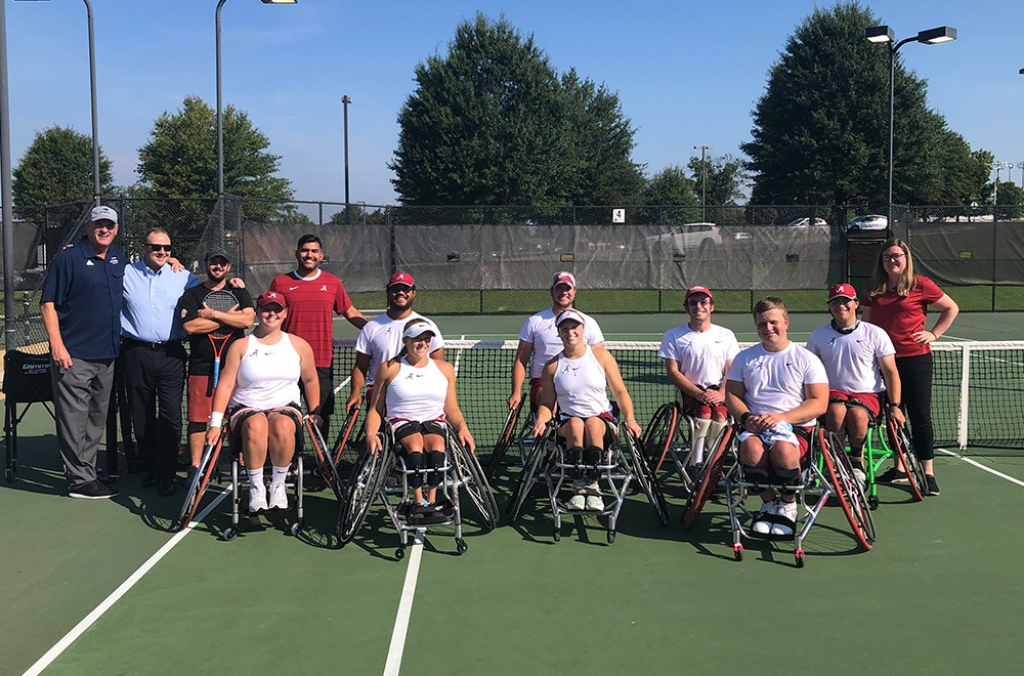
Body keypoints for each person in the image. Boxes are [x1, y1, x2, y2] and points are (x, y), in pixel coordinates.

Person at [205, 291, 320, 514]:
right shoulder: (240, 346)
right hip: (246, 408)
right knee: (257, 424)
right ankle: (257, 487)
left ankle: (278, 485)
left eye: (277, 309)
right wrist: (216, 423)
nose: (271, 314)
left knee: (283, 425)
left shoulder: (299, 345)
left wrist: (315, 412)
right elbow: (226, 385)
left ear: (285, 313)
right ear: (257, 312)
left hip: (285, 407)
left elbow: (310, 379)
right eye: (266, 309)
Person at [861, 238, 959, 496]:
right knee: (894, 416)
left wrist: (934, 334)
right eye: (887, 257)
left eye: (896, 256)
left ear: (906, 258)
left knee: (920, 416)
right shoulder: (873, 288)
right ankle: (901, 468)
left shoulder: (921, 284)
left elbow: (951, 308)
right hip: (884, 362)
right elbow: (867, 327)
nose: (892, 260)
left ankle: (928, 473)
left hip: (916, 359)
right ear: (881, 262)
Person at [40, 205, 126, 499]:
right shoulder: (68, 259)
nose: (105, 230)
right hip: (74, 355)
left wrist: (174, 262)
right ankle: (79, 480)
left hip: (108, 354)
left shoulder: (118, 257)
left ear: (116, 229)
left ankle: (87, 471)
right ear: (87, 228)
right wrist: (57, 345)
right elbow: (48, 304)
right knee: (74, 418)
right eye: (99, 224)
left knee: (96, 418)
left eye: (110, 225)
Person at [725, 297, 829, 536]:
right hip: (755, 425)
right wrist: (746, 417)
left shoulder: (807, 359)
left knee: (783, 451)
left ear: (786, 323)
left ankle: (788, 504)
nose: (768, 328)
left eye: (773, 322)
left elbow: (819, 402)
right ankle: (769, 503)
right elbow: (732, 395)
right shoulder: (745, 357)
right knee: (750, 450)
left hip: (795, 428)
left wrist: (783, 418)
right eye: (762, 324)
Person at [530, 310, 643, 512]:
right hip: (567, 423)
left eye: (574, 327)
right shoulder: (552, 366)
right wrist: (541, 420)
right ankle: (578, 487)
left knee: (591, 422)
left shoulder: (601, 357)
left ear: (583, 330)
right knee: (575, 424)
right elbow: (548, 404)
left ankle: (593, 486)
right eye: (564, 328)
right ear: (558, 333)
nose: (570, 332)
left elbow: (620, 392)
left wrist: (631, 419)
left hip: (601, 422)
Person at [120, 228, 202, 497]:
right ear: (144, 247)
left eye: (167, 248)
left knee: (170, 415)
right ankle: (150, 467)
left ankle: (167, 472)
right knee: (141, 415)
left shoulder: (183, 276)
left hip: (172, 354)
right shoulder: (126, 272)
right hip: (135, 353)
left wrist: (234, 284)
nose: (163, 252)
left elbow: (209, 292)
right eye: (157, 247)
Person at [364, 318, 474, 516]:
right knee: (415, 448)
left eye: (426, 338)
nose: (422, 343)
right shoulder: (390, 368)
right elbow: (375, 409)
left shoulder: (444, 369)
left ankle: (431, 500)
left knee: (438, 450)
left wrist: (462, 428)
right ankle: (417, 501)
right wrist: (371, 434)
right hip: (402, 422)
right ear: (405, 340)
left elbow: (452, 408)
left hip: (433, 421)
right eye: (417, 338)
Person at [806, 283, 905, 488]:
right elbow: (810, 374)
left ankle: (856, 462)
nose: (840, 305)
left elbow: (890, 372)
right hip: (833, 392)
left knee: (857, 416)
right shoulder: (818, 336)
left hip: (868, 394)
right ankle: (837, 464)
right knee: (835, 412)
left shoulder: (875, 333)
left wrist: (895, 405)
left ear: (856, 304)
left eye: (845, 301)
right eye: (835, 301)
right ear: (829, 307)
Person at [269, 234, 367, 431]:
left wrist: (377, 331)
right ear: (297, 254)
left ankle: (321, 460)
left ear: (321, 256)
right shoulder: (280, 283)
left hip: (321, 361)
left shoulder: (332, 282)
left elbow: (350, 312)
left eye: (314, 251)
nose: (309, 255)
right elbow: (269, 317)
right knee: (284, 415)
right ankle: (290, 460)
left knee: (320, 415)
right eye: (305, 250)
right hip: (286, 362)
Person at [178, 248, 255, 483]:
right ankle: (196, 466)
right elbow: (191, 327)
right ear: (206, 265)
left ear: (228, 267)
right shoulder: (191, 295)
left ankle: (239, 461)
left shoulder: (239, 291)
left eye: (222, 263)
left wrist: (211, 314)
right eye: (213, 262)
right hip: (201, 366)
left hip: (236, 369)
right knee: (198, 419)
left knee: (238, 417)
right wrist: (228, 318)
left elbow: (248, 320)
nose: (218, 267)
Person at [658, 286, 739, 467]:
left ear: (712, 307)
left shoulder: (726, 335)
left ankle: (713, 464)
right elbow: (673, 372)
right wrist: (698, 393)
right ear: (687, 308)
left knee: (719, 416)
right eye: (693, 303)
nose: (698, 306)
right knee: (703, 413)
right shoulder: (673, 335)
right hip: (690, 393)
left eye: (704, 302)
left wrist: (721, 393)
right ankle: (697, 464)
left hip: (719, 392)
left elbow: (731, 371)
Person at [345, 271, 444, 414]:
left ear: (413, 292)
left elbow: (439, 365)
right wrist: (355, 392)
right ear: (388, 292)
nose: (401, 293)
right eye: (396, 289)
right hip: (380, 392)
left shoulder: (428, 325)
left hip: (418, 390)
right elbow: (360, 366)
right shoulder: (371, 328)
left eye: (405, 289)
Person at [509, 271, 605, 413]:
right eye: (559, 288)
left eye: (567, 289)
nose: (563, 292)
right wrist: (516, 392)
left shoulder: (590, 323)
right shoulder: (535, 322)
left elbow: (600, 361)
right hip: (542, 383)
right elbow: (521, 360)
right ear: (551, 292)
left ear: (575, 291)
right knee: (549, 404)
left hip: (578, 383)